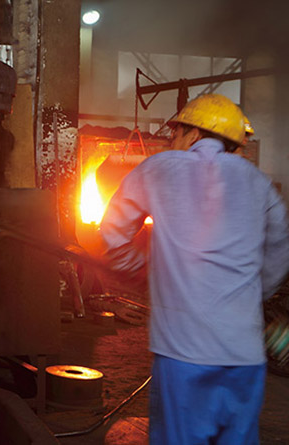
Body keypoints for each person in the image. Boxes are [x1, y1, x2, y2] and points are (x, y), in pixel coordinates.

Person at [97, 93, 289, 444]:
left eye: (176, 133)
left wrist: (141, 269)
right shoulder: (258, 182)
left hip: (184, 354)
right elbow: (279, 250)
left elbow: (113, 232)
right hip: (244, 355)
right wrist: (247, 296)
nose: (172, 140)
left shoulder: (160, 168)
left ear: (194, 134)